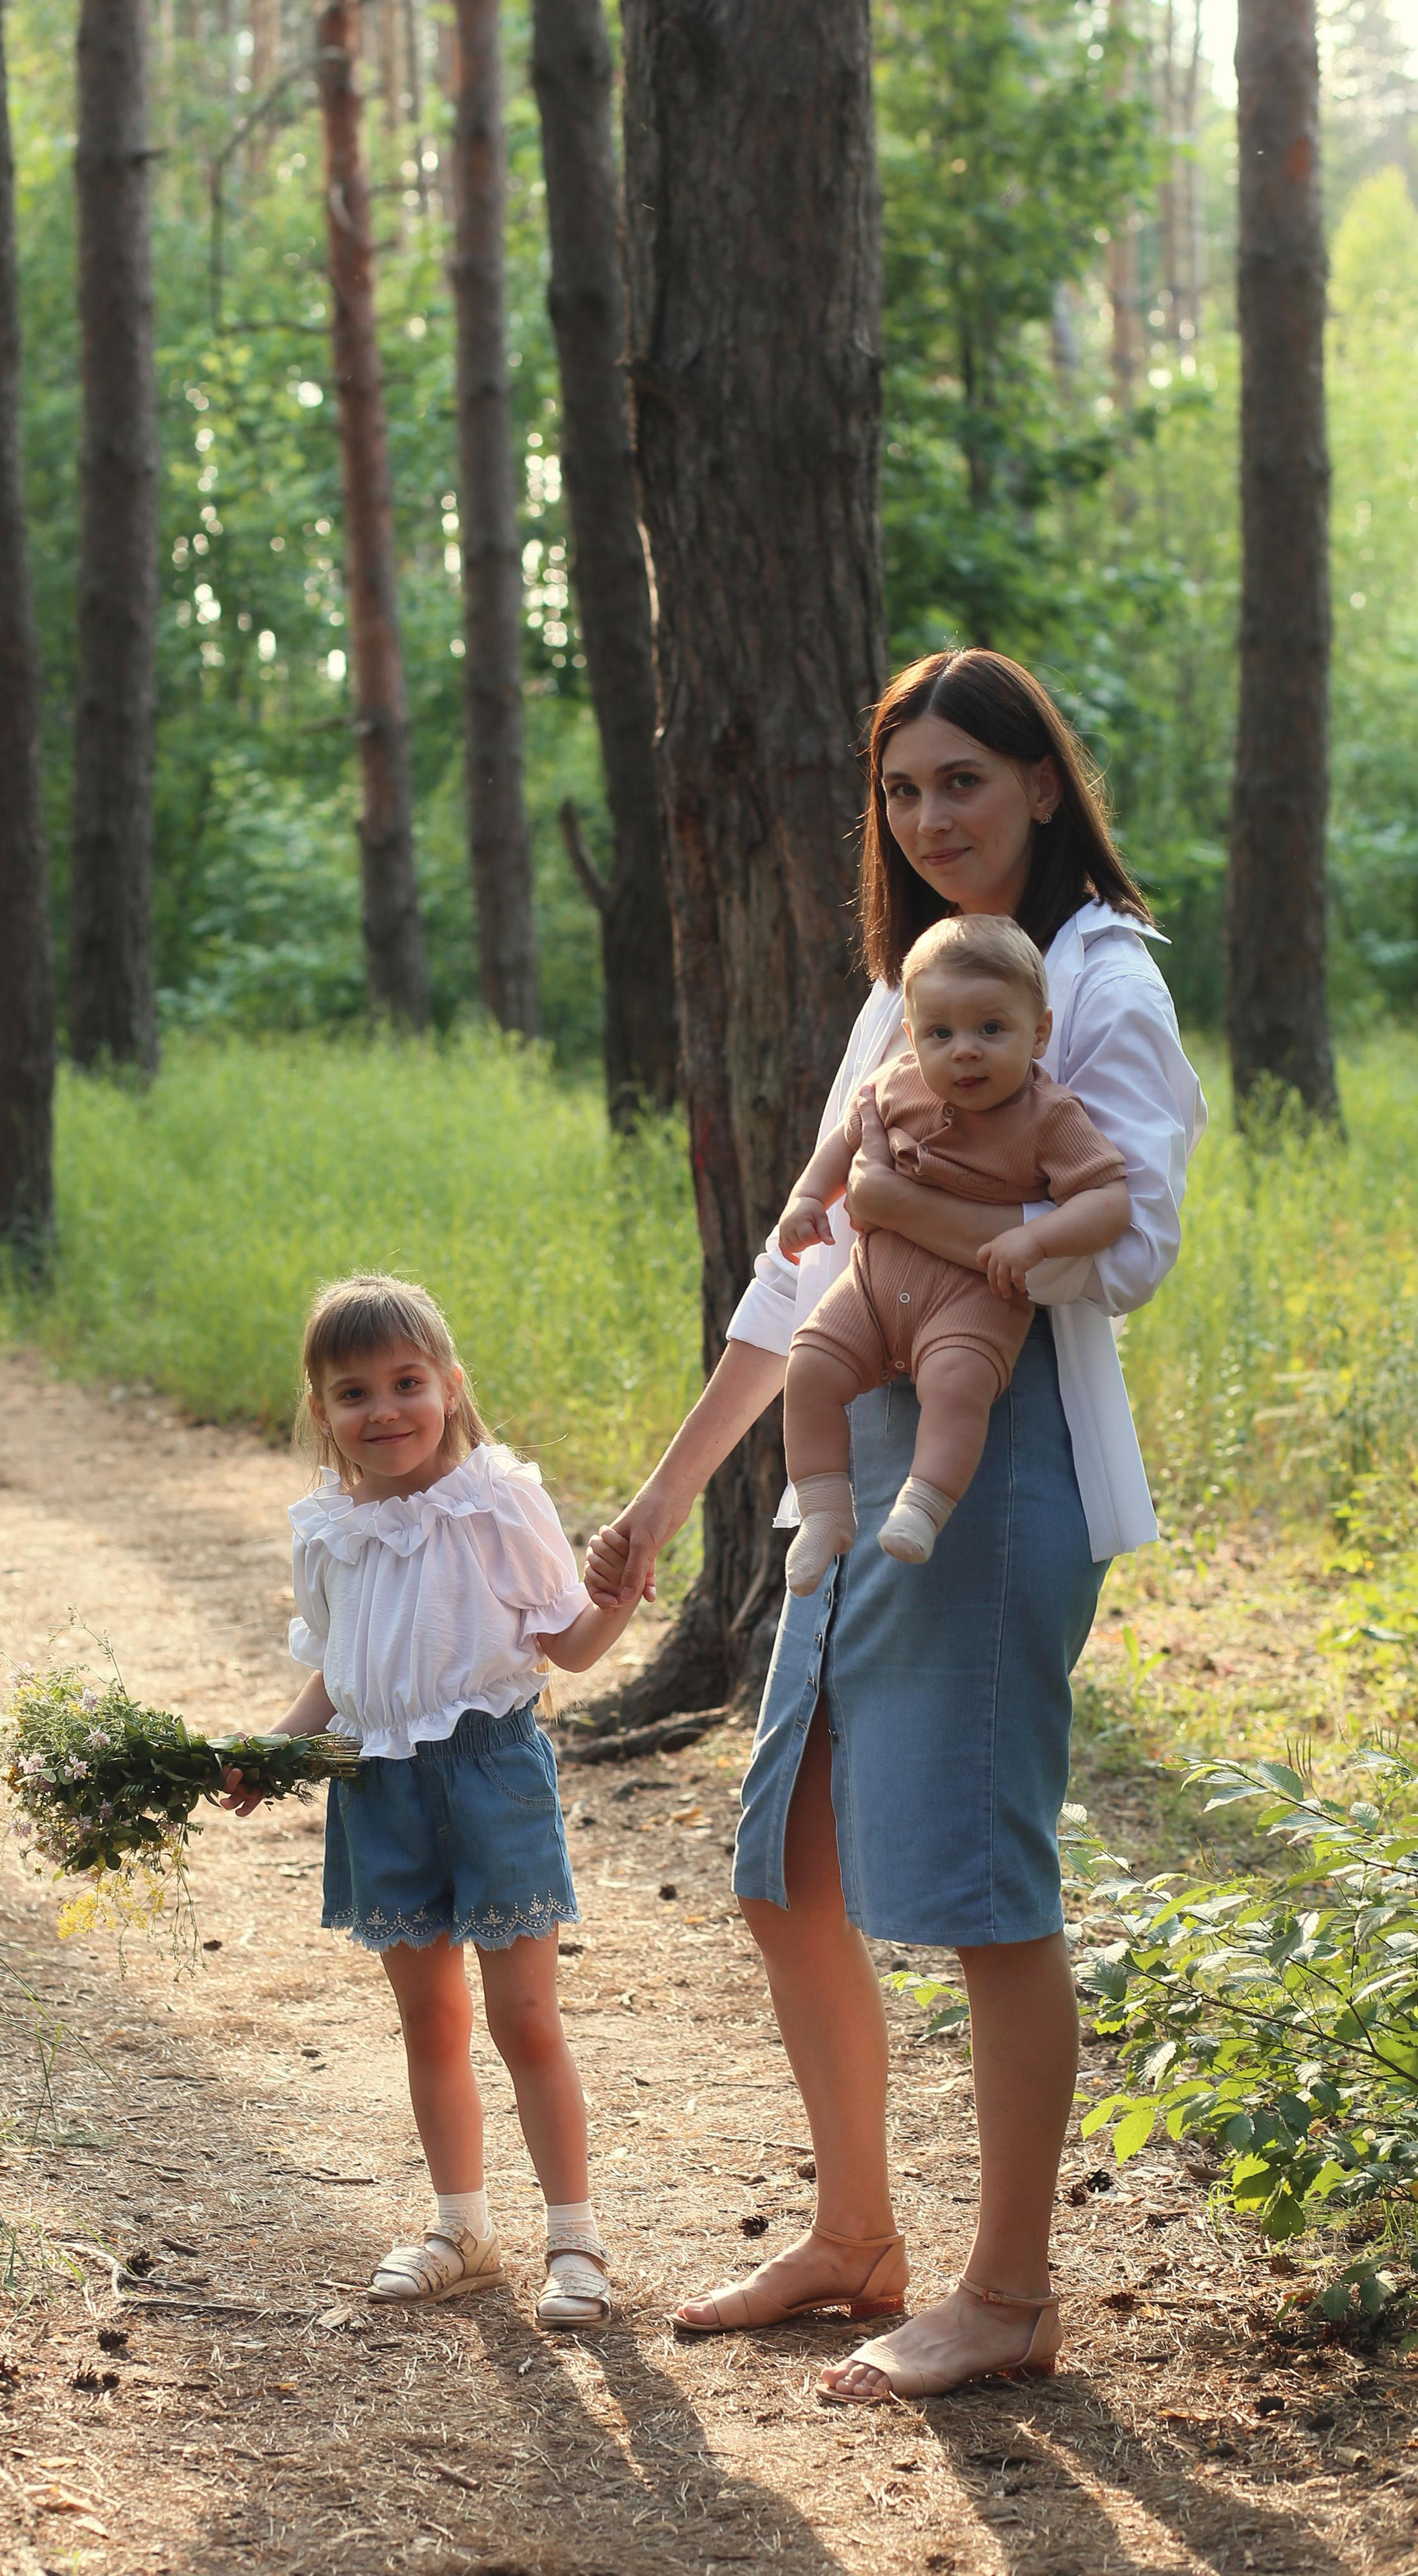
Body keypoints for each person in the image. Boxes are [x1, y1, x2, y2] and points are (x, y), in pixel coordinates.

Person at [585, 648, 1205, 2401]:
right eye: (904, 788)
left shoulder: (1094, 983)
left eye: (966, 782)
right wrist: (659, 1497)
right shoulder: (903, 995)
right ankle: (856, 2234)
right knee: (790, 1860)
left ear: (1042, 788)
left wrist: (930, 1195)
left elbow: (1133, 1239)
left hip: (996, 1465)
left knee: (985, 1880)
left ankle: (1006, 2292)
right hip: (843, 1461)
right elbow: (806, 1271)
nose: (933, 817)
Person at [222, 1273, 641, 2328]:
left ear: (451, 1385)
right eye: (354, 1392)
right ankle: (462, 2227)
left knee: (525, 2018)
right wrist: (269, 1753)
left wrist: (621, 1595)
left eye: (407, 1381)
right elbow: (335, 1669)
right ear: (323, 1413)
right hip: (376, 1784)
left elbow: (571, 1645)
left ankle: (576, 2241)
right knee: (429, 2019)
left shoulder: (497, 1500)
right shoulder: (326, 1530)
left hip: (490, 1774)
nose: (385, 1409)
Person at [779, 913, 1131, 1589]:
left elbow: (1108, 1200)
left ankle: (924, 1504)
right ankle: (824, 1508)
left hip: (971, 1300)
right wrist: (804, 1200)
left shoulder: (1049, 1116)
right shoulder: (894, 1083)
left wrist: (1035, 1235)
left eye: (990, 1029)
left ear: (1039, 1032)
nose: (964, 1051)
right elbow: (841, 1145)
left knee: (957, 1386)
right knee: (810, 1369)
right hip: (872, 1290)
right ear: (912, 1036)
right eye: (940, 1033)